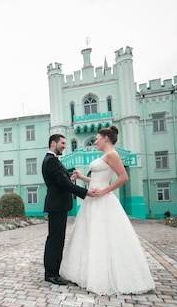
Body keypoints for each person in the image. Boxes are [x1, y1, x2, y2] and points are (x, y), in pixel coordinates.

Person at [60, 126, 155, 295]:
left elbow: (123, 177)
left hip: (103, 200)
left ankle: (103, 276)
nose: (95, 141)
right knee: (89, 235)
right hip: (92, 200)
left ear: (105, 138)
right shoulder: (104, 156)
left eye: (97, 138)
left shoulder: (112, 155)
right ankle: (85, 273)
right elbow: (97, 179)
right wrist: (82, 177)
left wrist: (104, 191)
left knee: (103, 235)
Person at [42, 134, 97, 285]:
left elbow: (62, 181)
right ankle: (51, 273)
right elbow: (62, 184)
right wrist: (85, 192)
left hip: (59, 204)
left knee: (57, 239)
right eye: (63, 143)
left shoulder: (53, 160)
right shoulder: (51, 161)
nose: (65, 146)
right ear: (53, 143)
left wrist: (70, 179)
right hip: (57, 205)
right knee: (55, 240)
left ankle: (54, 271)